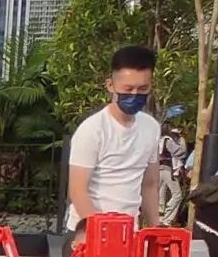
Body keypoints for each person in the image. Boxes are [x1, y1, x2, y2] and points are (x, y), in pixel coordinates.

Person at [64, 44, 163, 236]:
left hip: (129, 232)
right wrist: (100, 233)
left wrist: (155, 230)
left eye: (142, 89)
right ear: (111, 85)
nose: (134, 95)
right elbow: (77, 190)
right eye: (128, 89)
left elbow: (149, 184)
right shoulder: (93, 129)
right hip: (89, 233)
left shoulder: (151, 127)